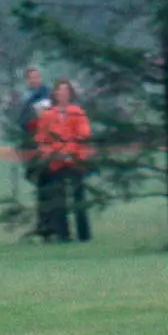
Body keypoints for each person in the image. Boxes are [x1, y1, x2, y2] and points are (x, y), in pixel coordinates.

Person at [32, 82, 95, 240]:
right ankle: (62, 233)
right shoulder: (48, 115)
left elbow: (83, 135)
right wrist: (51, 152)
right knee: (58, 198)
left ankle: (84, 234)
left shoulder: (78, 113)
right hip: (56, 162)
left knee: (79, 196)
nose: (63, 94)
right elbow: (42, 139)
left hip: (75, 161)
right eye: (60, 91)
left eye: (66, 91)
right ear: (55, 94)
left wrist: (68, 150)